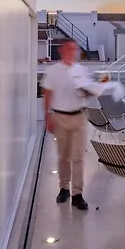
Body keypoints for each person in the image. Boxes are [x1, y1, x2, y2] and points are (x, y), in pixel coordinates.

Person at [40, 39, 91, 210]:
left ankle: (77, 194)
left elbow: (88, 91)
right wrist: (48, 117)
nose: (72, 52)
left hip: (79, 117)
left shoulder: (82, 70)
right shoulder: (53, 70)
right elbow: (47, 93)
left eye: (74, 49)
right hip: (60, 117)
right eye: (69, 49)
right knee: (63, 156)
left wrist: (90, 91)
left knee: (78, 157)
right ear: (62, 50)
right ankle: (64, 188)